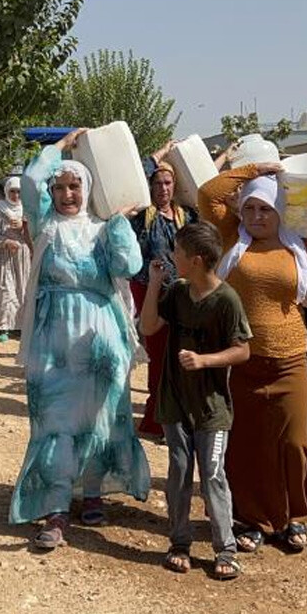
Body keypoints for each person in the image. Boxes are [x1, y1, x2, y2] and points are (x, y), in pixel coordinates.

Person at [8, 128, 149, 550]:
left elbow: (130, 264)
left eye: (75, 186)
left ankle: (92, 493)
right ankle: (54, 509)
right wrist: (63, 146)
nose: (67, 194)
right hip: (53, 338)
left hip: (101, 337)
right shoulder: (45, 223)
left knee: (100, 417)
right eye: (61, 187)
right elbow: (31, 180)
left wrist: (121, 221)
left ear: (88, 190)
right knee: (54, 421)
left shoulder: (103, 229)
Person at [199, 163, 307, 553]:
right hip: (242, 359)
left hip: (290, 360)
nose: (256, 216)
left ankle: (295, 517)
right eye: (249, 208)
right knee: (247, 444)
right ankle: (253, 519)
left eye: (265, 208)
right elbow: (207, 195)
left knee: (295, 442)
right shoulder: (231, 237)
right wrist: (256, 169)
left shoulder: (301, 244)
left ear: (280, 209)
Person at [139, 221, 251, 581]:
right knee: (179, 471)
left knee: (213, 474)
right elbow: (148, 327)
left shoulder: (226, 300)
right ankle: (179, 542)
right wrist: (156, 284)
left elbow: (242, 350)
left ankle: (226, 548)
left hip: (211, 408)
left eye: (179, 253)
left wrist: (205, 360)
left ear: (198, 260)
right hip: (175, 402)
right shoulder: (179, 292)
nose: (174, 257)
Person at [129, 159, 199, 439]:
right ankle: (157, 418)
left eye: (168, 183)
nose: (163, 188)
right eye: (157, 183)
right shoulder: (142, 218)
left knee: (183, 354)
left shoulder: (188, 216)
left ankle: (183, 415)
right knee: (158, 355)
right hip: (152, 293)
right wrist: (161, 155)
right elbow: (136, 172)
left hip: (184, 293)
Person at [0, 177, 32, 342]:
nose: (15, 195)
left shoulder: (27, 209)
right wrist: (5, 242)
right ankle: (3, 327)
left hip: (22, 253)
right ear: (6, 192)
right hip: (3, 252)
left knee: (22, 288)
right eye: (12, 191)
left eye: (19, 192)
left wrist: (24, 226)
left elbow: (31, 231)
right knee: (5, 289)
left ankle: (20, 326)